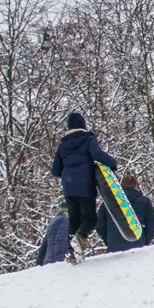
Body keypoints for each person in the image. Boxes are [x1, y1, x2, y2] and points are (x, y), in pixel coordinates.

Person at [51, 112, 121, 262]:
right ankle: (80, 238)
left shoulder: (63, 144)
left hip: (68, 188)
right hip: (85, 184)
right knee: (90, 218)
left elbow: (55, 170)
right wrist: (112, 163)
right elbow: (96, 153)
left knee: (75, 220)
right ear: (83, 125)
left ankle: (71, 252)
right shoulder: (87, 138)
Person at [96, 173, 154, 252]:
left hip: (114, 246)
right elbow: (152, 225)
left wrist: (109, 239)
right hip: (138, 244)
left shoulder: (109, 202)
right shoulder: (144, 201)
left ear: (120, 186)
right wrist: (144, 240)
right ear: (135, 186)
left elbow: (99, 225)